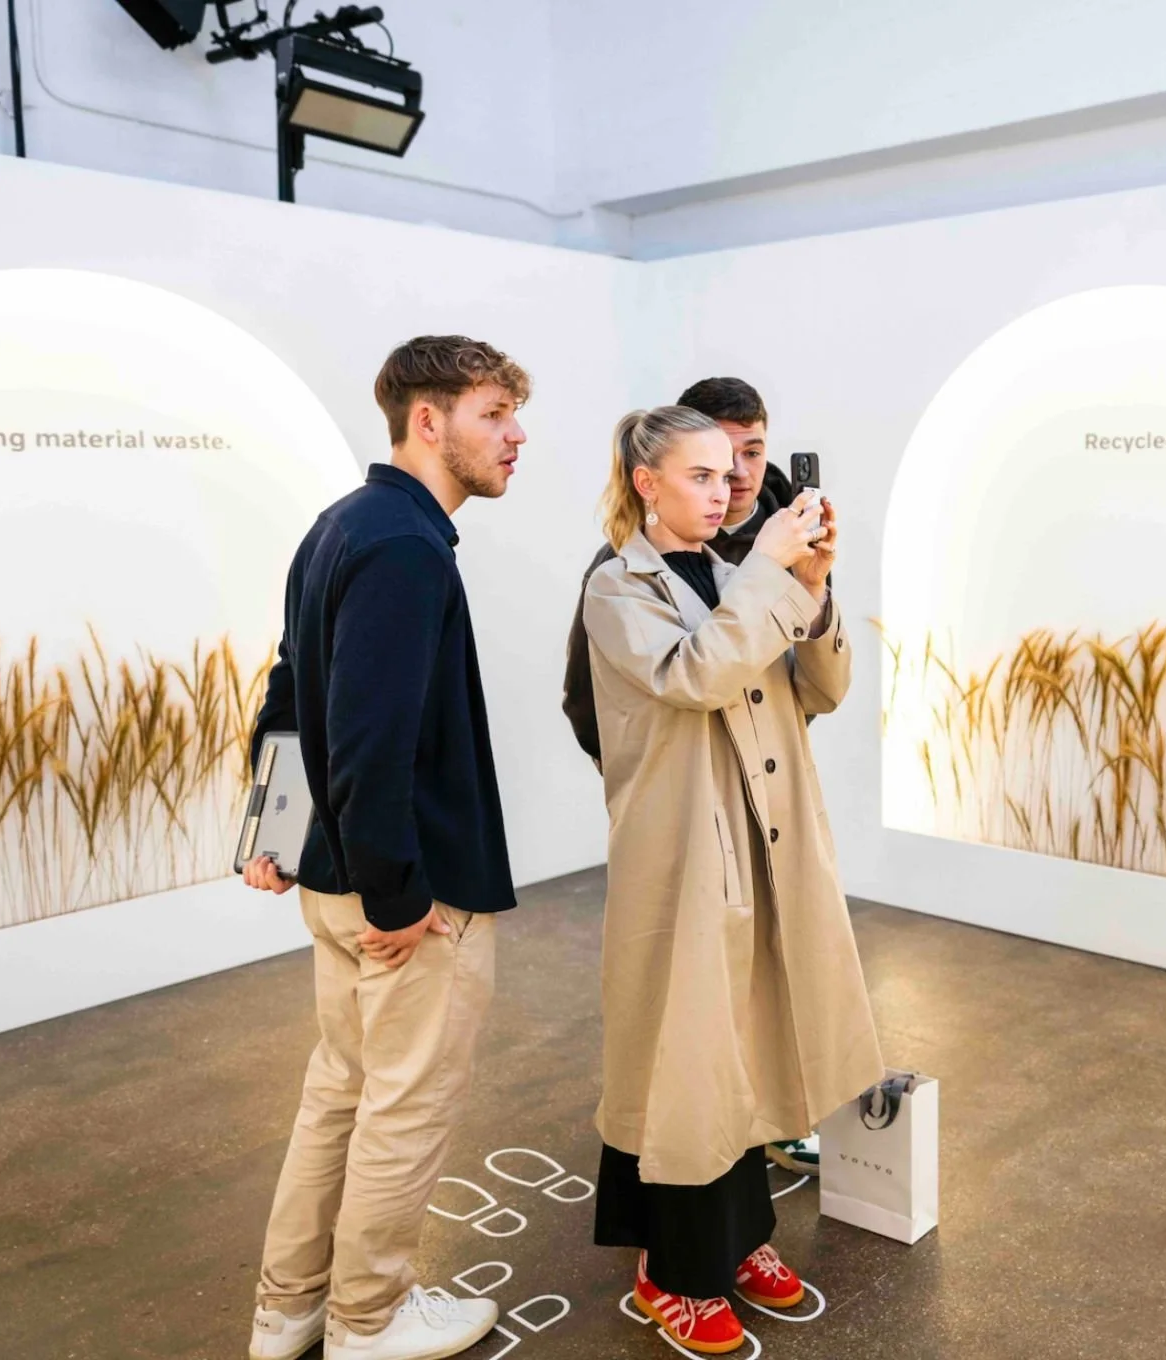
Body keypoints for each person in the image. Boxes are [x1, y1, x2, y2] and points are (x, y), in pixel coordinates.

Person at [240, 336, 529, 1360]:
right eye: (494, 413)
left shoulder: (340, 525)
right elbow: (369, 740)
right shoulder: (405, 545)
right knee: (403, 1105)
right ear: (428, 421)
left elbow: (289, 688)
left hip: (334, 876)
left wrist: (273, 831)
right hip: (403, 896)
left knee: (341, 1092)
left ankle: (288, 1310)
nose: (516, 435)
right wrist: (399, 895)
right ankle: (369, 1317)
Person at [579, 405, 885, 1356]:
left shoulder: (729, 574)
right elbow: (696, 676)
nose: (726, 491)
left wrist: (815, 591)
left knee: (746, 1042)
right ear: (647, 483)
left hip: (765, 840)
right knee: (686, 1057)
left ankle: (744, 1235)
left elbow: (824, 688)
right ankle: (673, 1270)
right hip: (683, 854)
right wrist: (768, 577)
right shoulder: (615, 587)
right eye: (702, 475)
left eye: (732, 473)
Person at [562, 376, 791, 766]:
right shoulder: (617, 575)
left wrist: (812, 584)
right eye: (703, 474)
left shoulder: (787, 547)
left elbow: (809, 691)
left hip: (772, 779)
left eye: (752, 453)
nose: (734, 478)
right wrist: (648, 778)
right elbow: (588, 704)